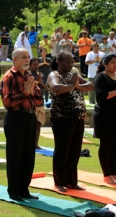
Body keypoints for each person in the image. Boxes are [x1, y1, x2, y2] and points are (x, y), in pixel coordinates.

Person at [47, 51, 94, 192]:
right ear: (59, 62)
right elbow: (56, 88)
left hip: (78, 117)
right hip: (62, 117)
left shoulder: (74, 74)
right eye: (67, 62)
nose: (70, 64)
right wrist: (73, 85)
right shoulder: (54, 75)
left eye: (72, 62)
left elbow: (91, 85)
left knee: (75, 150)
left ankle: (72, 181)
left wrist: (78, 85)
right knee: (62, 150)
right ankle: (59, 182)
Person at [0, 48, 43, 201]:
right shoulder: (9, 77)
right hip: (15, 118)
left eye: (28, 57)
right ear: (14, 59)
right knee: (15, 155)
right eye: (23, 57)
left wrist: (30, 92)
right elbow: (7, 102)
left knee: (28, 155)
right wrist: (26, 92)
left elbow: (39, 99)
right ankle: (14, 190)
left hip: (30, 118)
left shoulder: (30, 76)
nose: (27, 60)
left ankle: (24, 189)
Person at [93, 54, 116, 184]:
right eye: (112, 62)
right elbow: (101, 95)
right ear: (105, 64)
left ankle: (114, 172)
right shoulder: (100, 77)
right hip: (104, 116)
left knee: (115, 146)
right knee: (106, 145)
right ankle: (106, 175)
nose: (115, 65)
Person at [29, 58, 48, 149]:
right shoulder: (28, 75)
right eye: (34, 64)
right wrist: (37, 82)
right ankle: (30, 143)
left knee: (38, 125)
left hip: (40, 103)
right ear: (30, 65)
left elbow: (46, 88)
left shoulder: (40, 75)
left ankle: (36, 144)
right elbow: (29, 88)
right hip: (31, 104)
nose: (36, 66)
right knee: (30, 126)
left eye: (37, 64)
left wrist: (40, 81)